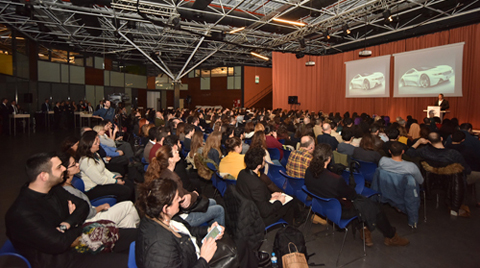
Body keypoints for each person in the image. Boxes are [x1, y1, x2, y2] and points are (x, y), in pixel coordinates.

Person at [6, 152, 136, 268]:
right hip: (64, 261)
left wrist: (67, 224)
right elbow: (59, 243)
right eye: (59, 167)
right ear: (44, 176)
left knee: (139, 237)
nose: (64, 168)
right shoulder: (21, 213)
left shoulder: (54, 189)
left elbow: (83, 206)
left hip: (80, 242)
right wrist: (75, 222)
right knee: (129, 261)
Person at [305, 144, 409, 247]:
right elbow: (353, 196)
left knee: (364, 205)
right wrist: (345, 192)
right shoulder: (335, 180)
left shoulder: (308, 172)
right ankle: (391, 237)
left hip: (320, 206)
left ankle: (364, 230)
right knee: (375, 208)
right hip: (339, 211)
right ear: (328, 159)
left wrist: (340, 195)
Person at [135, 178, 224, 268]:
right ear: (166, 208)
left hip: (192, 252)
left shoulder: (160, 216)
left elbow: (187, 230)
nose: (180, 199)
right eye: (177, 198)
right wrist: (204, 259)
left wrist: (208, 230)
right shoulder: (161, 248)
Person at [145, 145, 225, 227]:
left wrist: (192, 195)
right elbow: (185, 203)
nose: (178, 152)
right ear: (170, 159)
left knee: (212, 201)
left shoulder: (167, 172)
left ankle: (211, 228)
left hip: (182, 211)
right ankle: (217, 235)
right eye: (175, 152)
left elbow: (184, 194)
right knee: (219, 209)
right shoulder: (172, 178)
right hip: (184, 217)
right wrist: (195, 194)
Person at [60, 153, 140, 228]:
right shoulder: (68, 191)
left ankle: (131, 238)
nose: (78, 165)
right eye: (74, 164)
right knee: (129, 205)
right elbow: (86, 213)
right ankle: (145, 231)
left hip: (93, 212)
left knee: (129, 219)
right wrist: (101, 207)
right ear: (65, 170)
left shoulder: (71, 184)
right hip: (90, 220)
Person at [236, 147, 295, 226]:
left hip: (246, 210)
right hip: (258, 219)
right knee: (291, 201)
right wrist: (279, 202)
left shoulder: (242, 173)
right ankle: (289, 229)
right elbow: (265, 212)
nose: (265, 162)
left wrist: (271, 196)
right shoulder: (257, 184)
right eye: (264, 160)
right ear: (259, 166)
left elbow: (253, 195)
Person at [77, 130, 134, 202]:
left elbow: (103, 169)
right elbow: (99, 179)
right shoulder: (86, 161)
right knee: (126, 190)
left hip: (101, 182)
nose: (98, 144)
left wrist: (113, 176)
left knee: (129, 183)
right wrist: (115, 181)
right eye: (95, 143)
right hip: (93, 188)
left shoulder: (95, 155)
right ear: (89, 147)